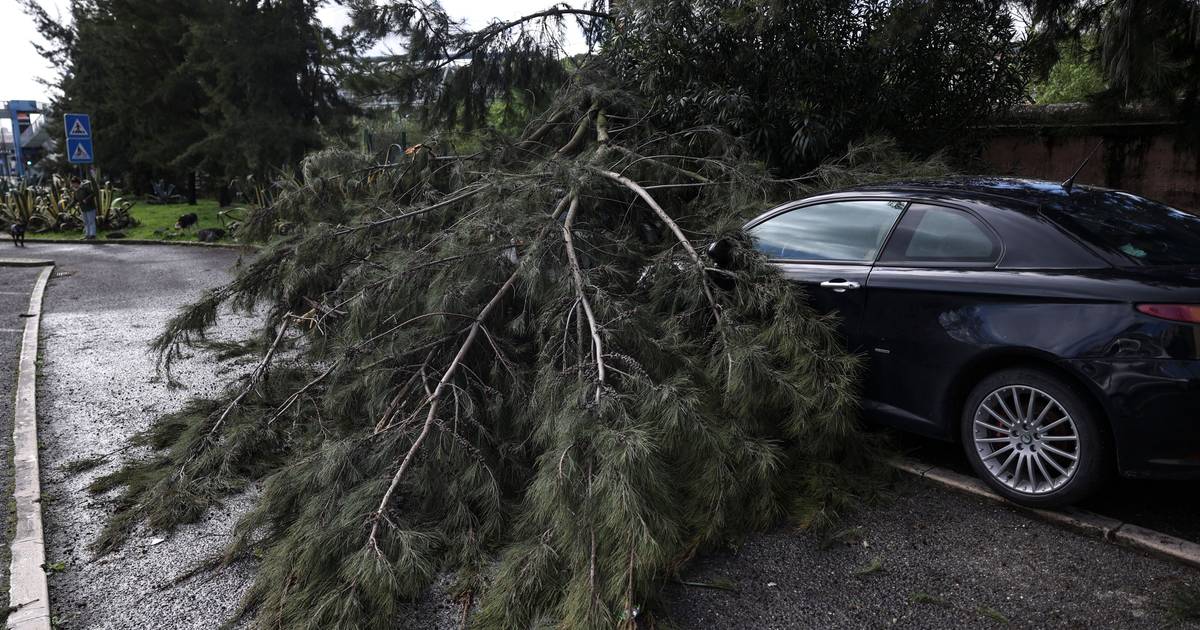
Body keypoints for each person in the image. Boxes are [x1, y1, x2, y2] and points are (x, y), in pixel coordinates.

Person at [72, 175, 98, 240]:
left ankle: (93, 235)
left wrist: (86, 199)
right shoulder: (76, 191)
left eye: (74, 183)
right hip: (83, 209)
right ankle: (87, 235)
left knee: (91, 221)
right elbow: (74, 200)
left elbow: (93, 193)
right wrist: (68, 207)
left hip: (90, 207)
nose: (73, 185)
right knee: (86, 222)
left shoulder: (85, 187)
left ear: (77, 183)